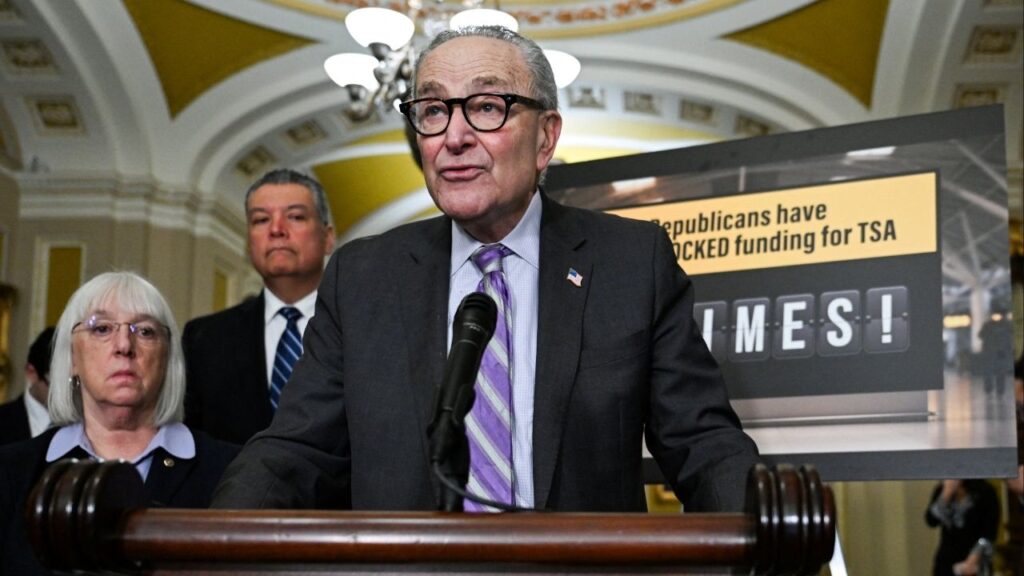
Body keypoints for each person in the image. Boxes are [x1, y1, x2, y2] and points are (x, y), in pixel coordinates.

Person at [212, 25, 758, 513]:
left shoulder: (631, 262)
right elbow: (296, 450)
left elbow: (703, 444)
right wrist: (212, 538)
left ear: (545, 137)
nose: (454, 137)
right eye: (433, 111)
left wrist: (774, 532)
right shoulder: (363, 276)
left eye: (488, 106)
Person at [0, 272, 239, 575]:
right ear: (72, 357)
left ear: (167, 358)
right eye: (101, 328)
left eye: (145, 331)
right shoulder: (10, 472)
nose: (124, 345)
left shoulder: (232, 470)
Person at [183, 169, 335, 444]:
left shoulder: (360, 329)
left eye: (295, 216)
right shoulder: (204, 339)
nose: (277, 230)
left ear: (328, 237)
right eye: (261, 220)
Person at [925, 479, 1000, 576]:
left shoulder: (986, 492)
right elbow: (931, 521)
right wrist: (945, 495)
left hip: (976, 559)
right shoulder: (941, 490)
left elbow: (989, 532)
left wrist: (973, 559)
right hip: (947, 561)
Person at [0, 327, 55, 445]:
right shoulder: (3, 421)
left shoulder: (84, 423)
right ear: (31, 373)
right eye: (55, 385)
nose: (65, 394)